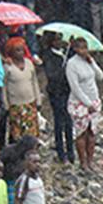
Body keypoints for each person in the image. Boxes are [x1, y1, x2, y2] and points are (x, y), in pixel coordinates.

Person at [65, 37, 103, 172]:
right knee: (81, 133)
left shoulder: (88, 61)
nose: (84, 51)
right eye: (81, 48)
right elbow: (75, 87)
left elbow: (100, 76)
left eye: (85, 48)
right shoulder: (72, 64)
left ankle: (90, 160)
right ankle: (83, 162)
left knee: (92, 132)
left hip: (94, 100)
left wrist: (92, 61)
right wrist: (87, 103)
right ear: (75, 49)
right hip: (79, 103)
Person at [41, 31, 75, 164]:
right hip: (56, 93)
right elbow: (52, 75)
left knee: (69, 122)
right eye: (56, 40)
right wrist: (63, 69)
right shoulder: (49, 56)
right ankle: (61, 152)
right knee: (59, 122)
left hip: (67, 91)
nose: (59, 42)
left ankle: (71, 152)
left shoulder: (65, 53)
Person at [3, 38, 41, 140]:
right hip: (15, 105)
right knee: (17, 135)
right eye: (17, 50)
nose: (21, 52)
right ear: (11, 52)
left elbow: (34, 82)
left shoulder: (29, 63)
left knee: (31, 134)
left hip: (30, 103)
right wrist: (6, 104)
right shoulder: (8, 66)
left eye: (22, 49)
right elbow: (4, 86)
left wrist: (38, 100)